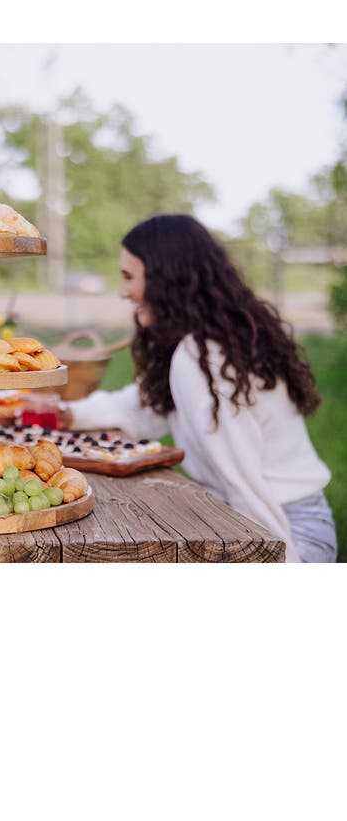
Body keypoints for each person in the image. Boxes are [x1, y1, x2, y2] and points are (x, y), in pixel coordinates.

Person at [61, 214, 335, 564]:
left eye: (129, 277)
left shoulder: (205, 358)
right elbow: (143, 406)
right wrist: (66, 413)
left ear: (165, 278)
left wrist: (284, 570)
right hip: (272, 517)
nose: (122, 291)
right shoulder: (208, 343)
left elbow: (242, 483)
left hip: (288, 531)